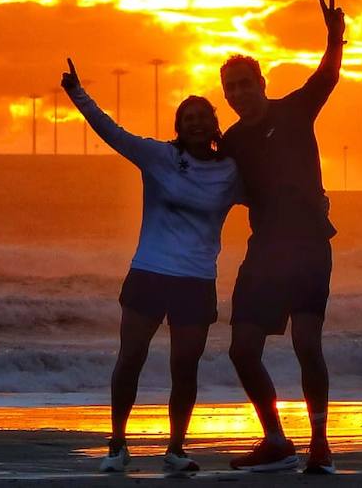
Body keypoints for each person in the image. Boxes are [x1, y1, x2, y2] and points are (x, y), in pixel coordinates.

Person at [61, 58, 239, 474]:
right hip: (150, 272)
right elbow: (112, 132)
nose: (195, 123)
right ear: (179, 126)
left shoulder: (232, 171)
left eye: (202, 117)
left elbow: (271, 193)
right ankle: (118, 444)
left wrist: (315, 204)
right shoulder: (159, 157)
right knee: (131, 357)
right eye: (187, 118)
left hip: (196, 281)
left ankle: (176, 448)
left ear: (215, 125)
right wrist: (78, 93)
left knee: (184, 367)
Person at [218, 0, 345, 475]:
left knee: (307, 345)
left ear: (261, 83)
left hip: (310, 248)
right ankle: (275, 438)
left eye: (244, 84)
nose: (238, 93)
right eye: (230, 88)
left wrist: (334, 38)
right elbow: (219, 186)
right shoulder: (230, 142)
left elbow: (327, 77)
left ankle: (319, 444)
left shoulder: (294, 110)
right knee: (242, 349)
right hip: (265, 254)